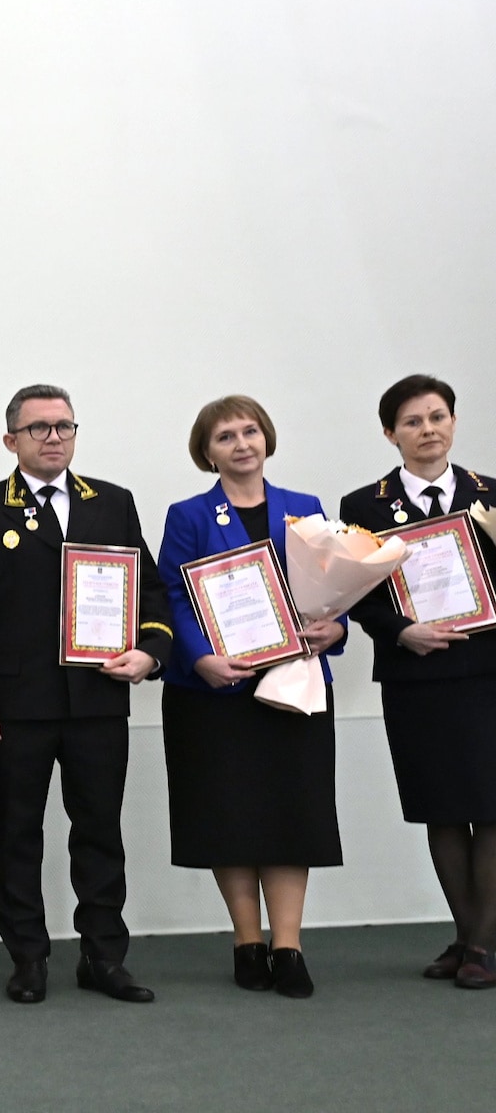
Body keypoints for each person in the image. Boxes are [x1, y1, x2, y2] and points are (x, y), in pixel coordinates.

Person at [0, 384, 172, 1005]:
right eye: (39, 428)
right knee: (16, 834)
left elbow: (150, 594)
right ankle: (28, 957)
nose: (54, 437)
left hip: (97, 699)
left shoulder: (113, 503)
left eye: (64, 426)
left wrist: (150, 651)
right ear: (10, 440)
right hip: (15, 706)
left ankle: (104, 956)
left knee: (99, 831)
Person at [158, 395, 346, 999]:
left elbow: (334, 587)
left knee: (293, 814)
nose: (241, 444)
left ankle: (288, 946)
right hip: (215, 692)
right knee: (229, 816)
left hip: (294, 686)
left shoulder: (304, 508)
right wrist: (200, 658)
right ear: (206, 452)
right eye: (225, 437)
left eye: (250, 431)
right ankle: (247, 942)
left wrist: (336, 627)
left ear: (266, 438)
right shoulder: (188, 515)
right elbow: (173, 595)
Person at [340, 374, 496, 989]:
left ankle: (482, 945)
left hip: (487, 672)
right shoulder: (363, 506)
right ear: (391, 434)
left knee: (491, 808)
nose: (427, 429)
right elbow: (354, 595)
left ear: (453, 422)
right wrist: (402, 630)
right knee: (441, 808)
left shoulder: (492, 494)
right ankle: (467, 935)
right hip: (416, 677)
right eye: (413, 421)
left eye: (437, 417)